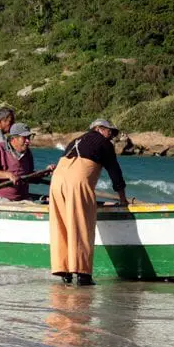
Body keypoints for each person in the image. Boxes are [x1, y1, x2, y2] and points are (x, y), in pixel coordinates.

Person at [49, 119, 129, 286]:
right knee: (81, 225)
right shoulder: (104, 144)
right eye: (110, 132)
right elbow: (115, 172)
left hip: (57, 181)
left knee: (62, 224)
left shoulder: (76, 140)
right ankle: (83, 275)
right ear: (99, 129)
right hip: (76, 182)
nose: (112, 136)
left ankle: (64, 271)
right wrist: (123, 199)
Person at [0, 123, 54, 201]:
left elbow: (29, 176)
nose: (28, 141)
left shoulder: (28, 153)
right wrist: (8, 175)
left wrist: (45, 172)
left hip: (22, 198)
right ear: (13, 139)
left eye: (29, 137)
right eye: (24, 138)